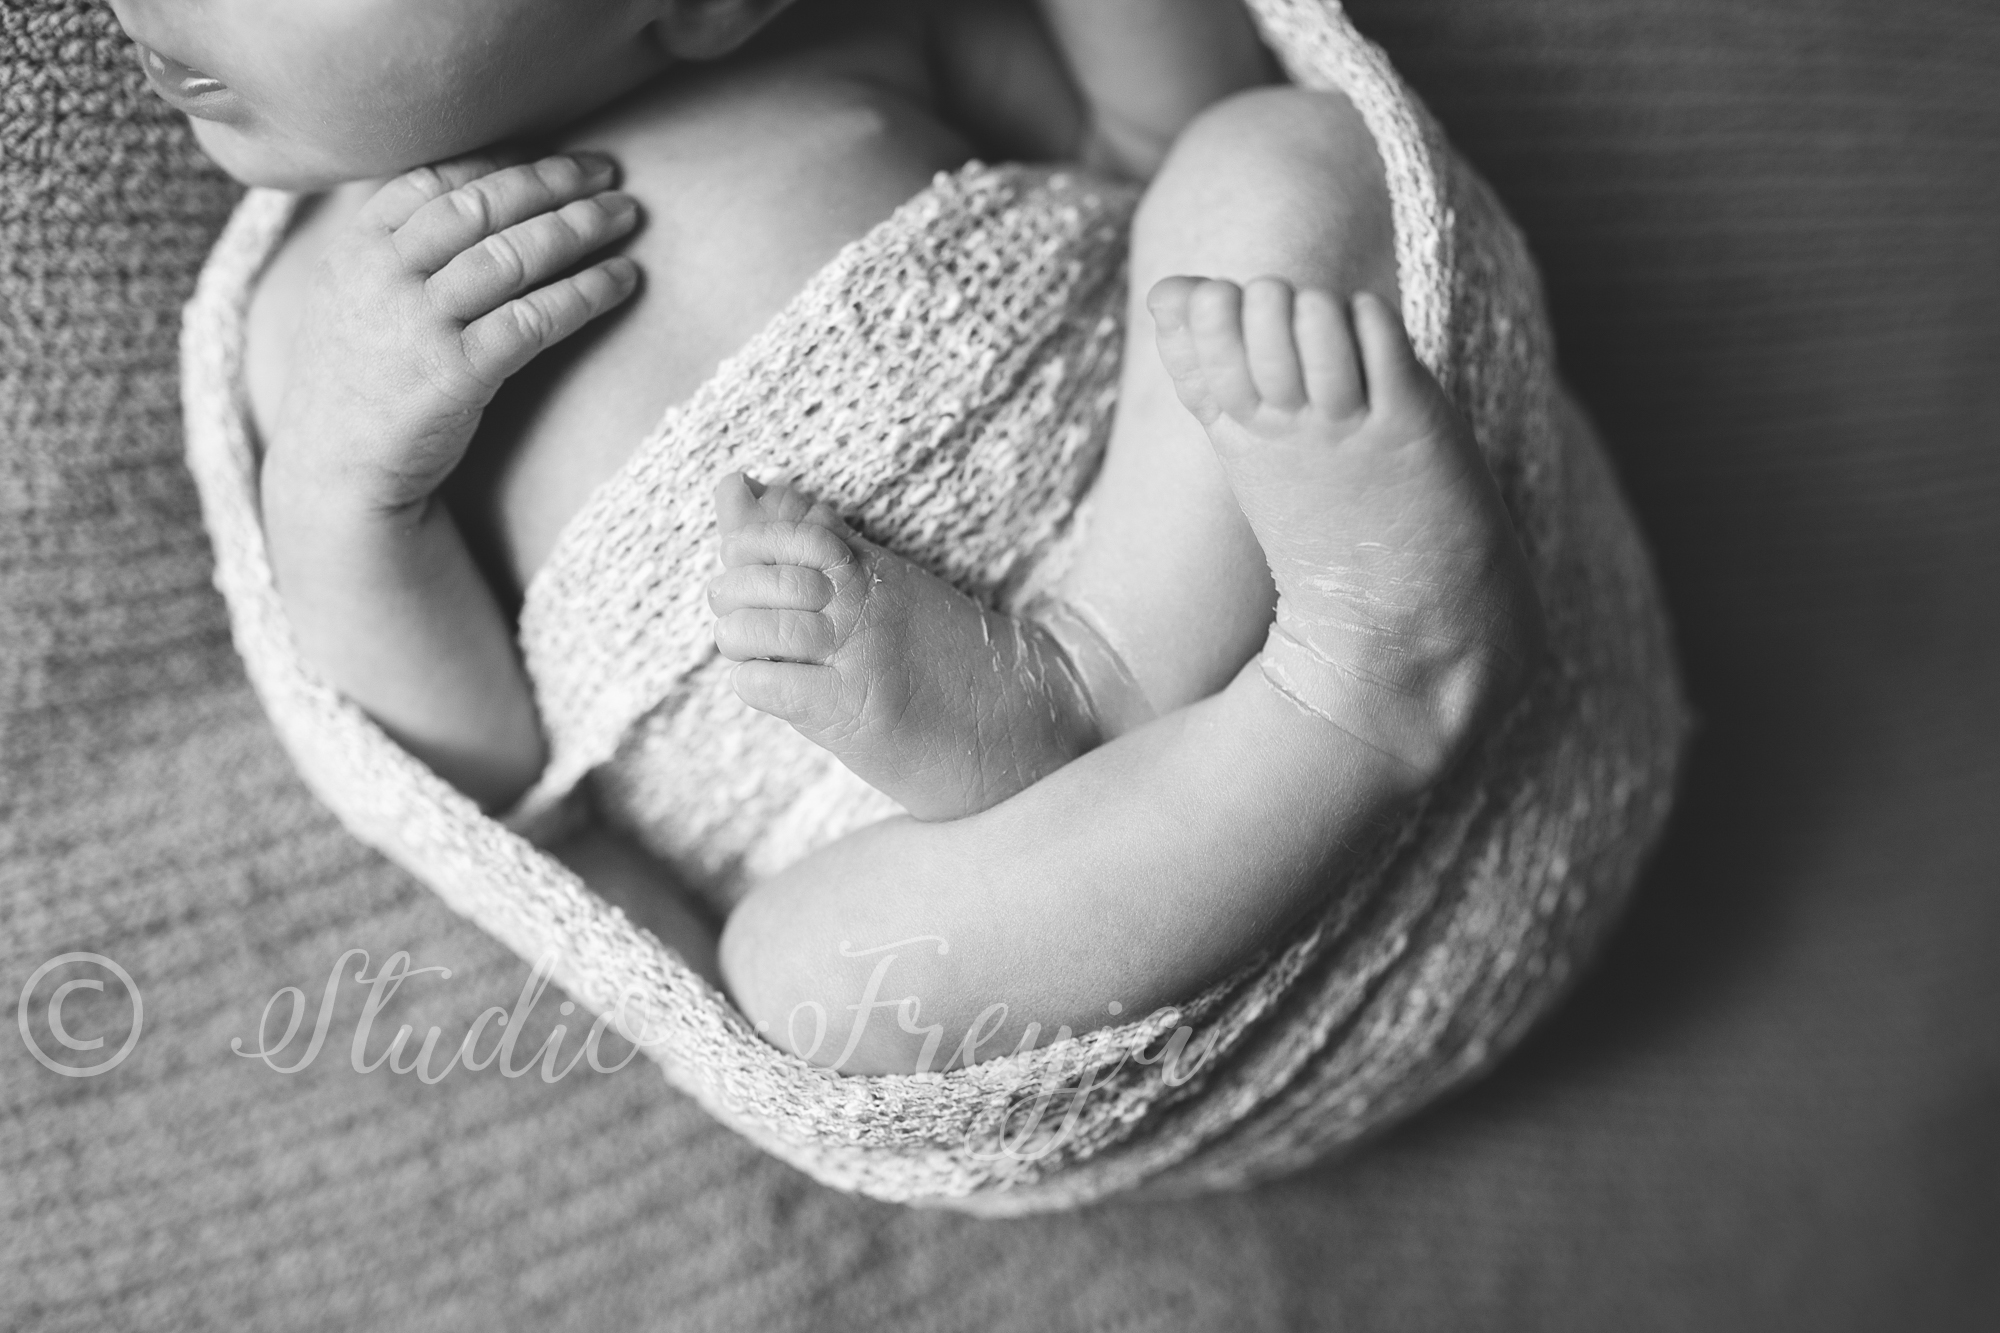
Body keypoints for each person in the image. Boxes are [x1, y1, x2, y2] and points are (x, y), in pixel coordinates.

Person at [116, 0, 1541, 1072]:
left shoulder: (851, 36)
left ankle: (1127, 671)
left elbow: (1150, 146)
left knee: (1277, 157)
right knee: (792, 987)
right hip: (968, 879)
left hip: (1183, 548)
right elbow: (482, 776)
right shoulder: (305, 335)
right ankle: (1361, 696)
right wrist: (344, 496)